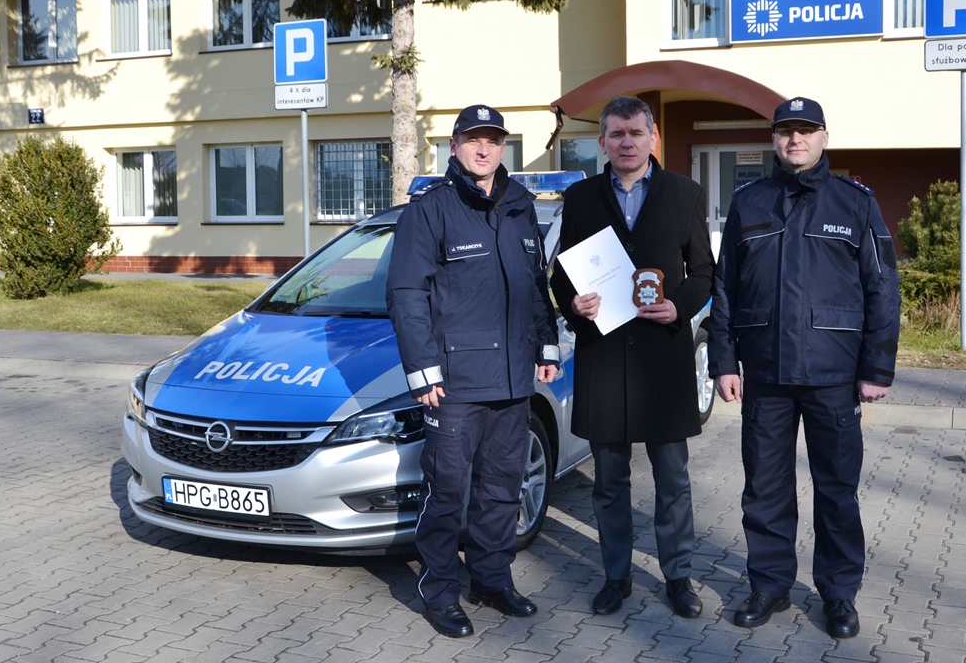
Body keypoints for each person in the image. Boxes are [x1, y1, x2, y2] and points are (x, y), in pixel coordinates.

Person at [708, 96, 901, 639]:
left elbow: (883, 288)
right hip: (765, 374)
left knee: (836, 490)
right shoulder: (749, 202)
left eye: (806, 130)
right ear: (773, 139)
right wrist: (723, 361)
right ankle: (769, 585)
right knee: (764, 490)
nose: (796, 139)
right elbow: (725, 287)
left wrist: (877, 368)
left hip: (833, 375)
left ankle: (839, 593)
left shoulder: (855, 203)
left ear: (824, 137)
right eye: (786, 131)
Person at [386, 104, 560, 639]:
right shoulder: (430, 211)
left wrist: (547, 347)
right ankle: (440, 592)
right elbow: (407, 295)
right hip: (455, 384)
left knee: (502, 489)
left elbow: (534, 287)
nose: (484, 149)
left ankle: (491, 580)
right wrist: (423, 370)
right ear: (454, 146)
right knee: (446, 494)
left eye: (493, 140)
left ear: (503, 147)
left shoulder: (520, 207)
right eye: (473, 140)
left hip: (513, 379)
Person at [551, 95, 715, 619]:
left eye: (636, 133)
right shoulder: (580, 198)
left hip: (662, 360)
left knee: (673, 480)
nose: (627, 142)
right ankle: (616, 576)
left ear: (652, 138)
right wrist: (572, 304)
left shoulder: (685, 194)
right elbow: (561, 273)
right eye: (617, 134)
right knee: (609, 482)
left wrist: (679, 306)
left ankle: (679, 577)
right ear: (603, 142)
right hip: (604, 358)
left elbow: (705, 273)